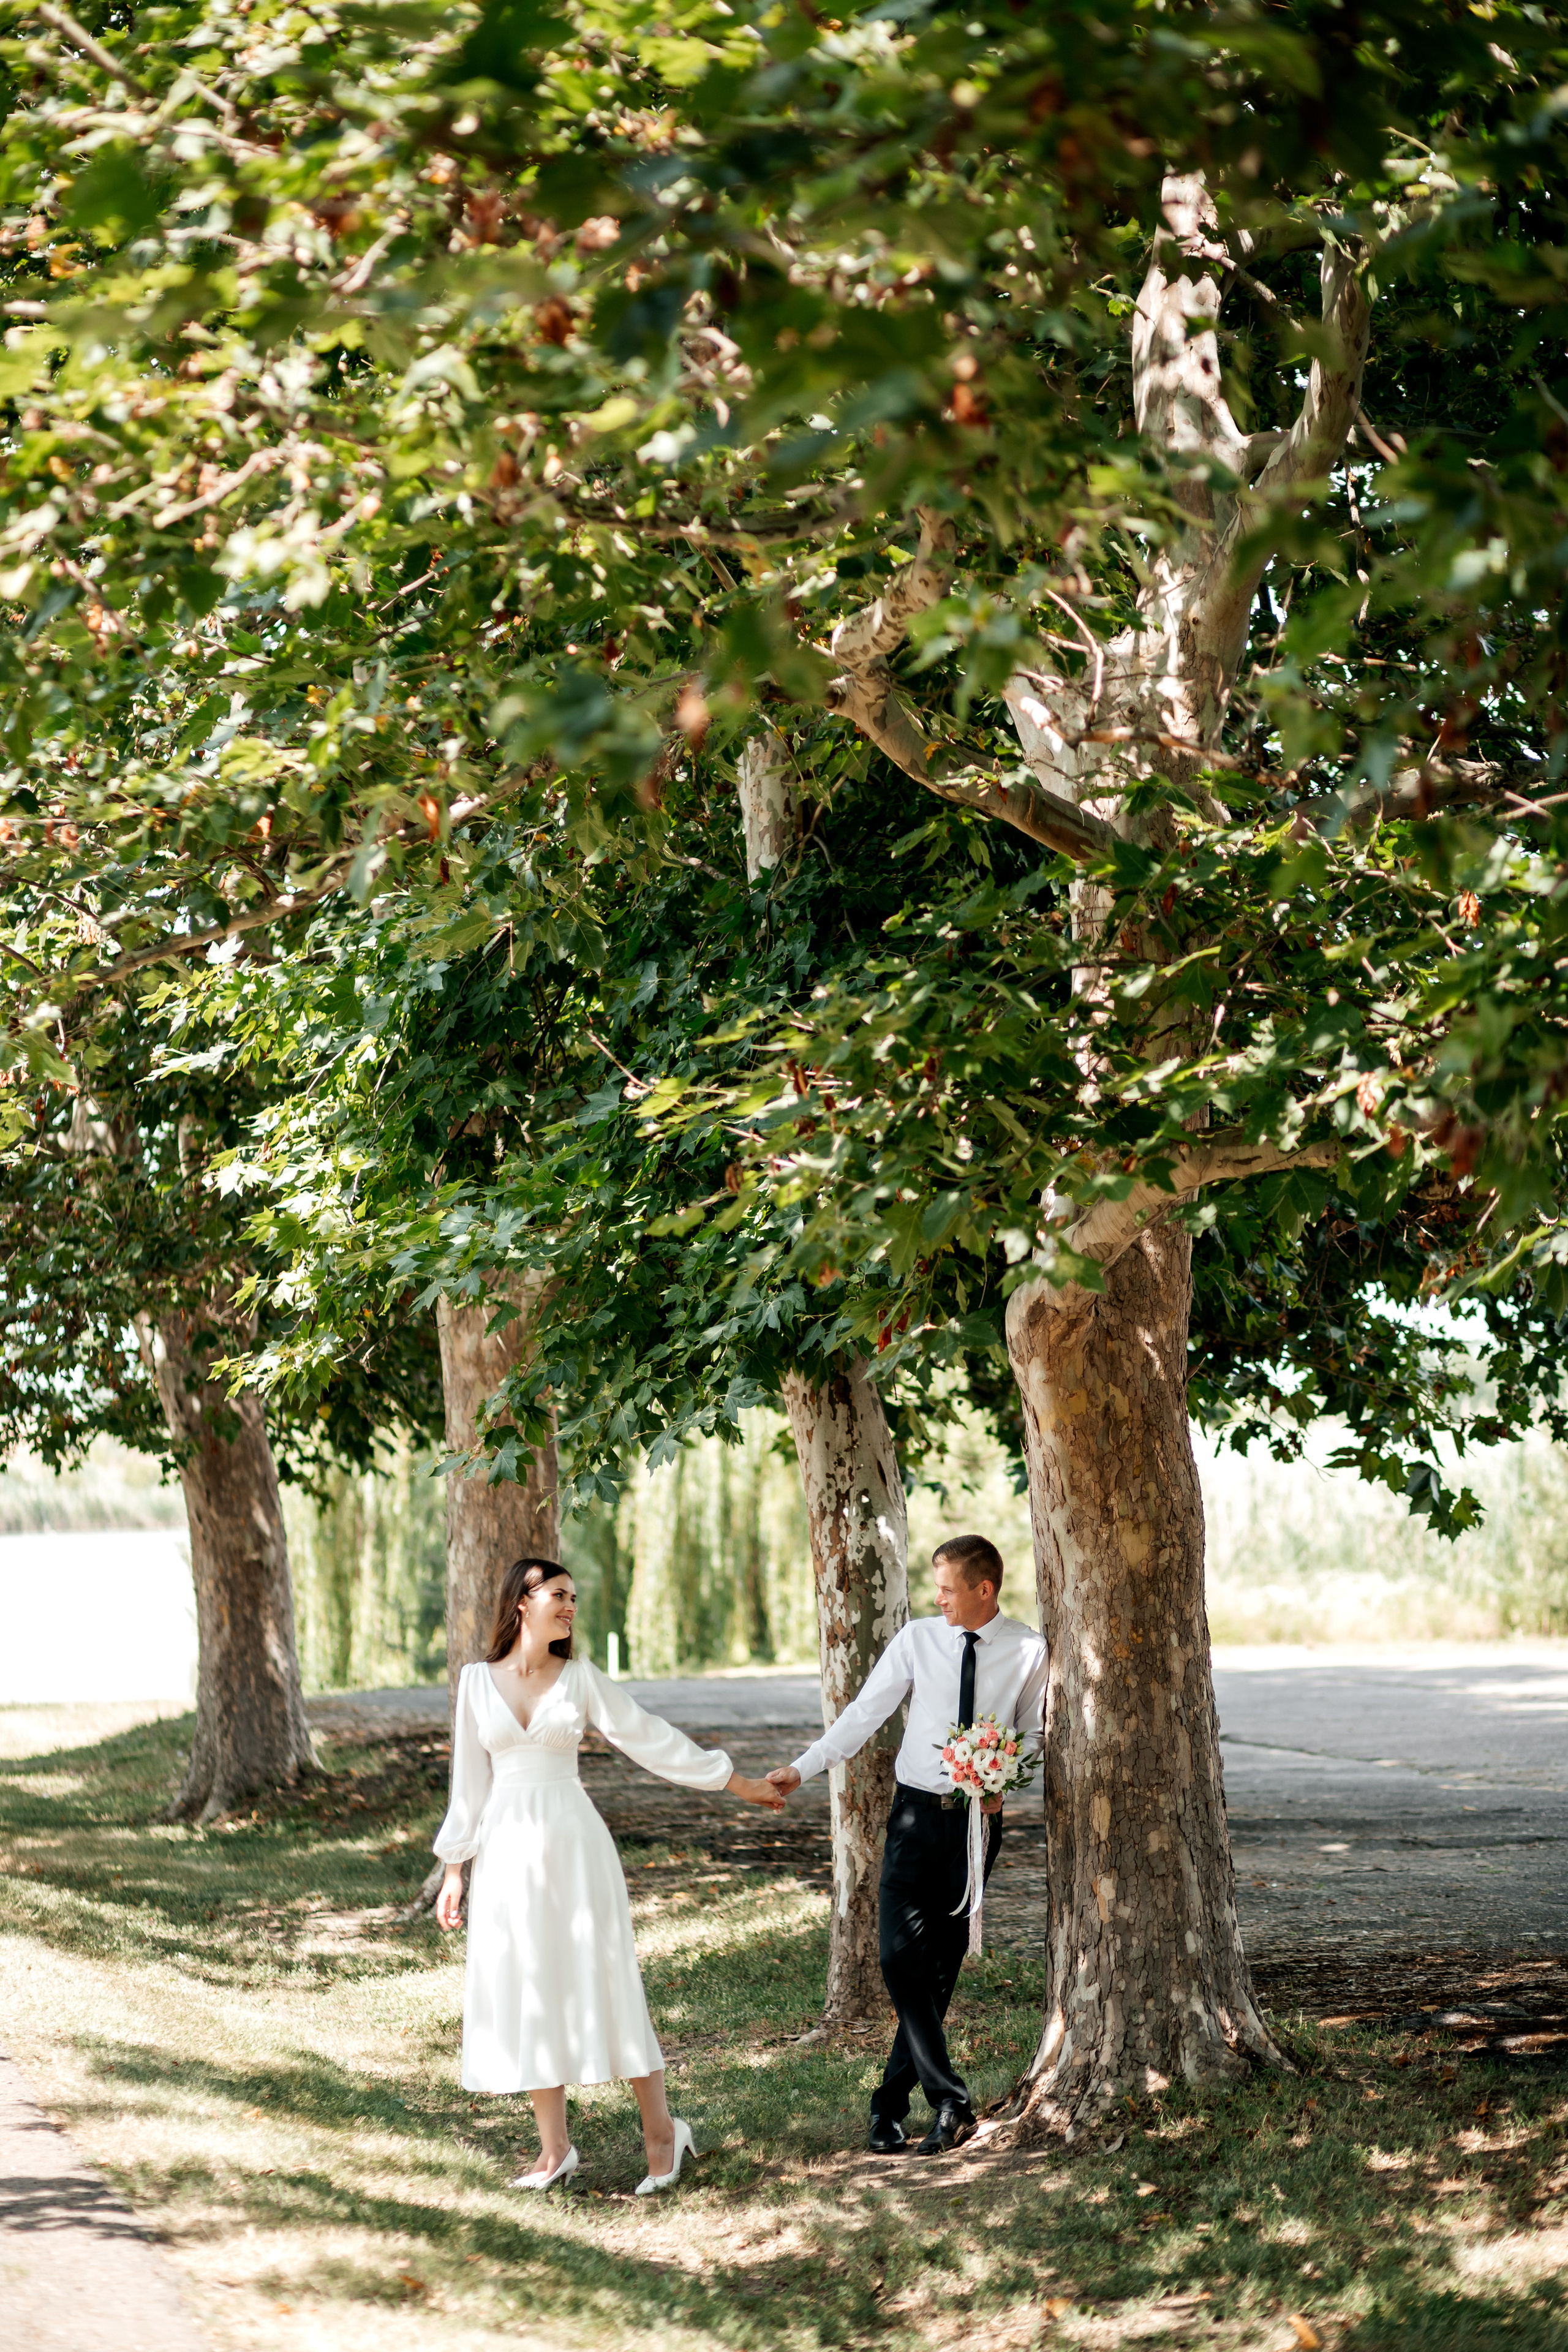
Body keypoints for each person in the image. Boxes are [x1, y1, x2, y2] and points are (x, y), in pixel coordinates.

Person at [434, 1555, 785, 2193]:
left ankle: (661, 2134)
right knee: (528, 1984)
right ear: (523, 1600)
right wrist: (455, 1869)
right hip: (507, 1850)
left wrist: (739, 1783)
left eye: (574, 1597)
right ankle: (553, 2151)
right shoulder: (475, 1683)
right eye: (558, 1594)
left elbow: (651, 1738)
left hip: (574, 1844)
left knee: (608, 1982)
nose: (570, 1606)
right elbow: (469, 1785)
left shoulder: (581, 1679)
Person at [766, 1534, 1047, 2156]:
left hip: (975, 1826)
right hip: (914, 1818)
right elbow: (864, 1713)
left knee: (939, 1973)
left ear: (984, 1589)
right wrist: (801, 1767)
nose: (938, 1599)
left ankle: (890, 2109)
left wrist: (1004, 1775)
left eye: (948, 1589)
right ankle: (949, 2098)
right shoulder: (918, 1640)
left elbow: (1032, 1732)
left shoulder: (1029, 1650)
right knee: (897, 1960)